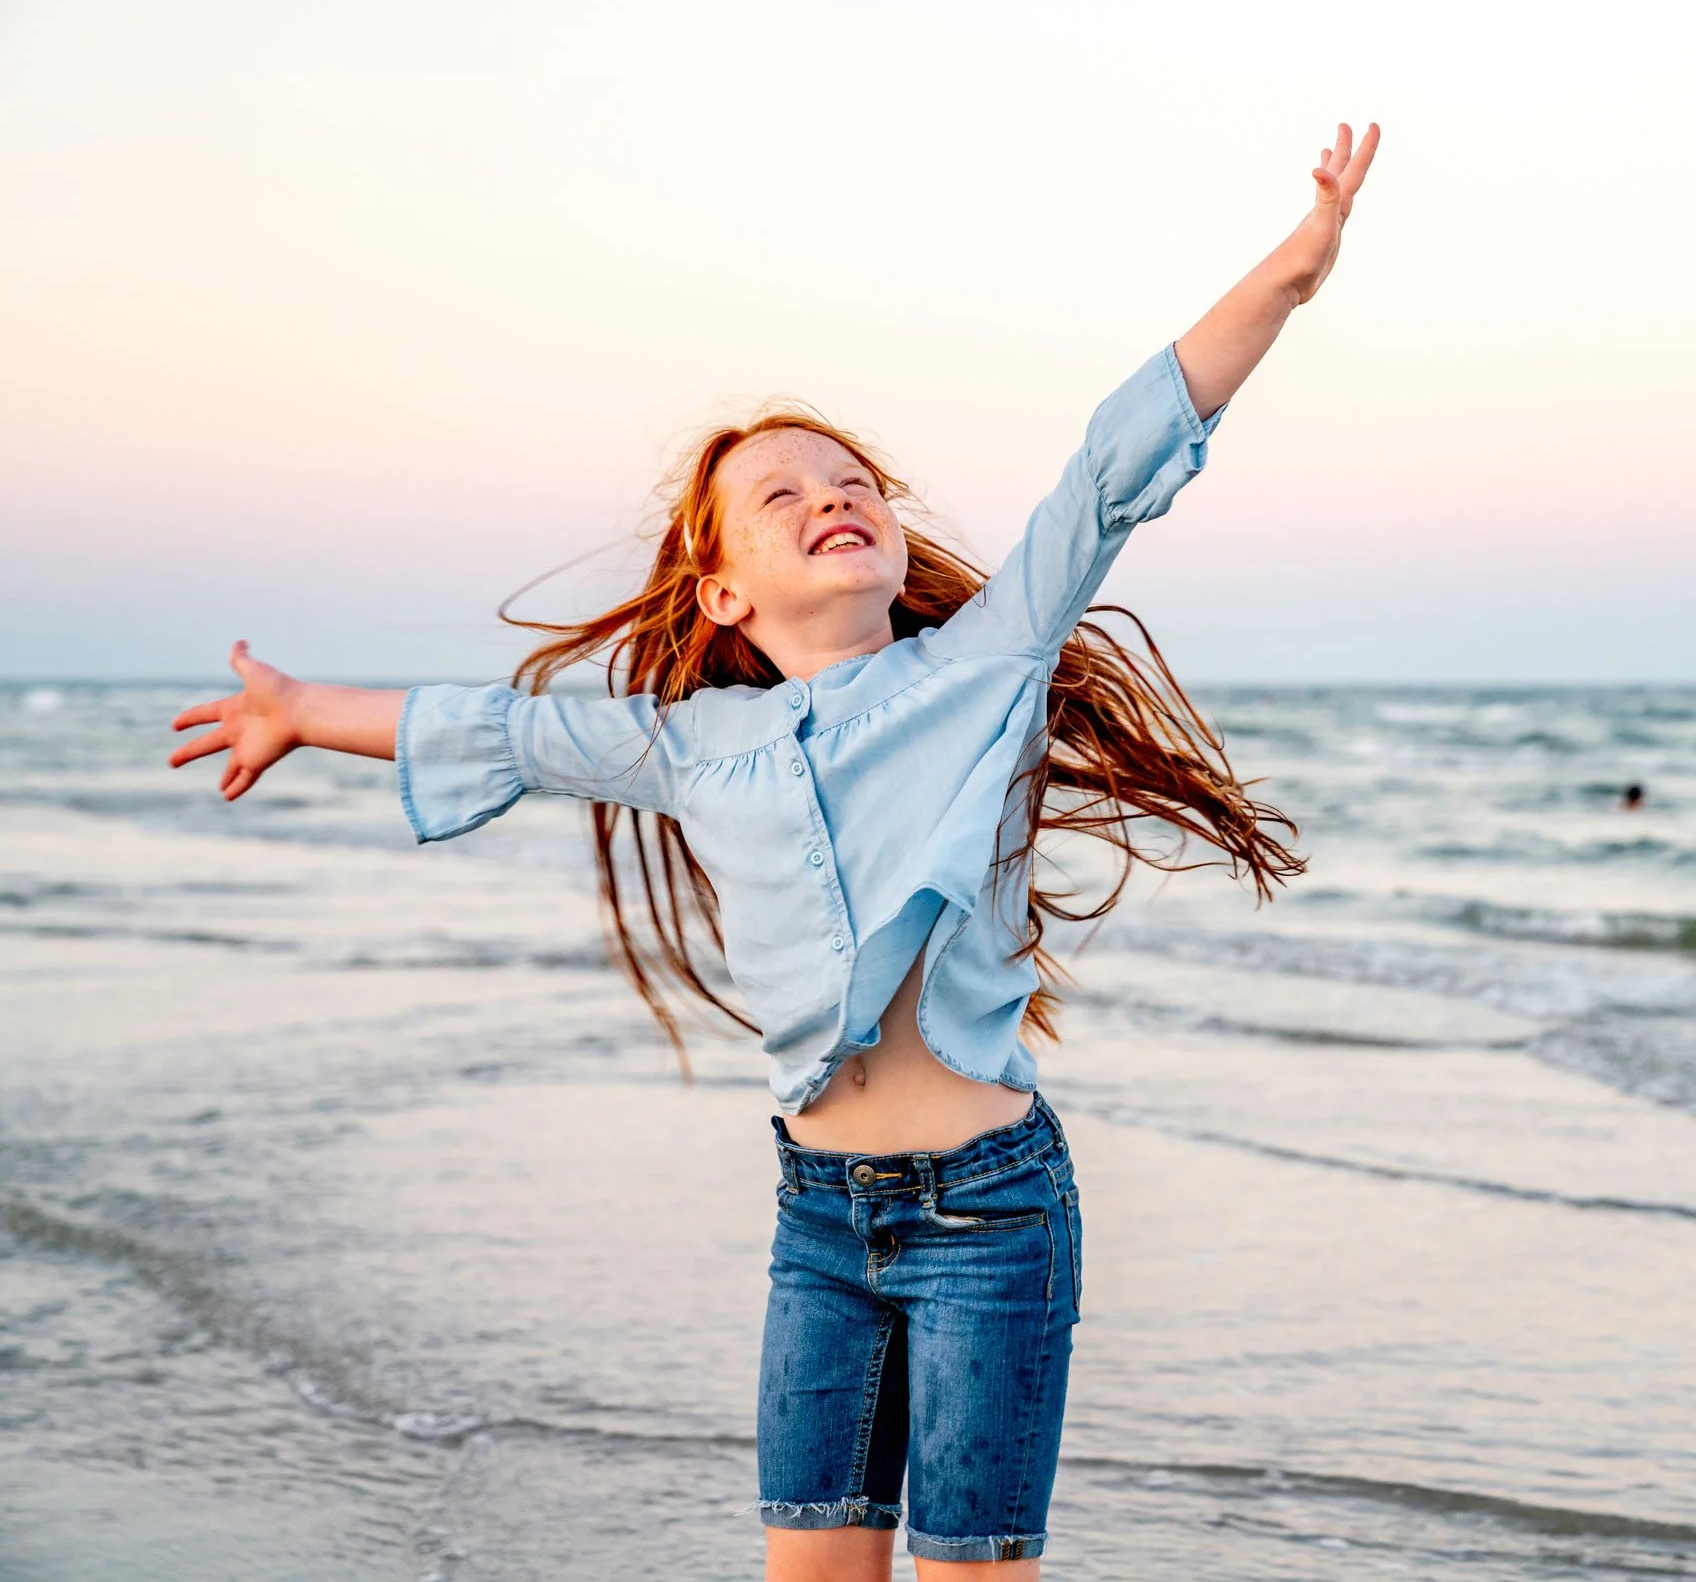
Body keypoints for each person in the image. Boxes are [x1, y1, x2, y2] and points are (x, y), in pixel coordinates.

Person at [168, 121, 1381, 1580]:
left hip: (992, 1218)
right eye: (785, 495)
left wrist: (1293, 273)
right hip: (819, 1217)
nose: (835, 499)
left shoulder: (985, 664)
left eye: (852, 480)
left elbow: (1113, 462)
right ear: (726, 590)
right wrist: (303, 710)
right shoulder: (685, 745)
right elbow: (501, 730)